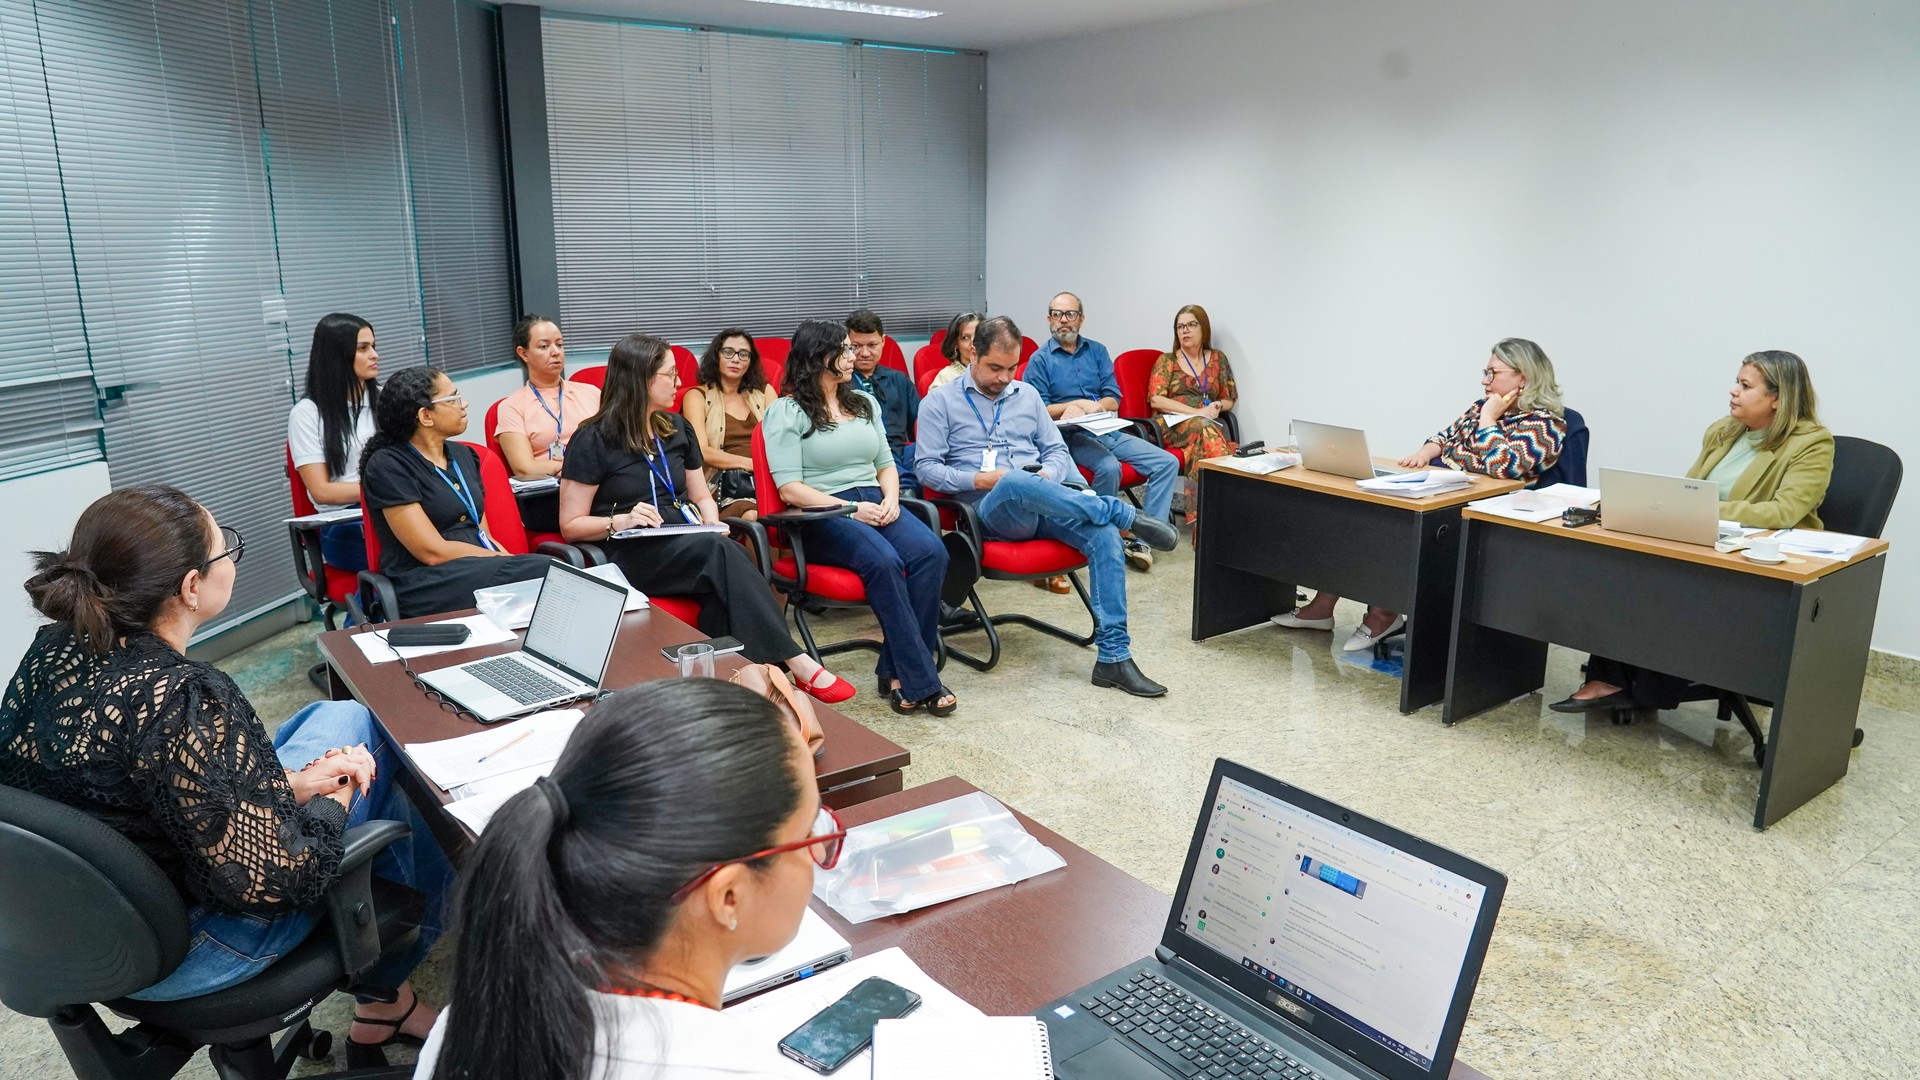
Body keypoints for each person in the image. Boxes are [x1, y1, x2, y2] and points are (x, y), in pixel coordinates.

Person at [0, 485, 451, 1068]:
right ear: (192, 587)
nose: (231, 561)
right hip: (189, 948)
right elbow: (273, 883)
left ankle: (388, 992)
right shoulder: (183, 697)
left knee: (343, 718)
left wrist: (294, 785)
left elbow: (132, 793)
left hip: (81, 937)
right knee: (388, 778)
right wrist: (336, 800)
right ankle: (388, 987)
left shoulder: (57, 647)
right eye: (225, 550)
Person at [414, 678, 835, 1080]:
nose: (819, 848)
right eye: (808, 833)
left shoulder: (475, 1013)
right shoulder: (738, 1069)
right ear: (728, 896)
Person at [558, 334, 854, 704]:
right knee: (724, 554)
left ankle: (739, 693)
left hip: (686, 542)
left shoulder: (675, 428)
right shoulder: (593, 439)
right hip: (628, 553)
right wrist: (619, 521)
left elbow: (699, 495)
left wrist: (712, 522)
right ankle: (792, 665)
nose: (679, 383)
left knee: (722, 580)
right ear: (641, 379)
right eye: (669, 375)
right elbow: (571, 525)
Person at [1552, 350, 1832, 713]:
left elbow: (1785, 511)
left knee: (1669, 582)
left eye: (1745, 386)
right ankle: (1612, 679)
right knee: (1623, 565)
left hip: (1760, 563)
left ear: (1777, 398)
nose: (1733, 391)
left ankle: (1636, 687)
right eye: (1737, 381)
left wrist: (1704, 510)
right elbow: (1690, 489)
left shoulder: (1812, 443)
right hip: (1706, 542)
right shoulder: (1724, 432)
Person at [916, 316, 1178, 698]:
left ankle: (1114, 658)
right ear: (972, 352)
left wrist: (1050, 478)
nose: (1005, 378)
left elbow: (1056, 450)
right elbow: (926, 469)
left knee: (1102, 536)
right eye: (995, 368)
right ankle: (1120, 512)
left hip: (1047, 503)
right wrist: (981, 480)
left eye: (1011, 368)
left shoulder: (1027, 396)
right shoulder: (941, 401)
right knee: (1014, 479)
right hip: (989, 513)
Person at [1273, 338, 1568, 652]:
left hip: (1477, 511)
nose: (1484, 380)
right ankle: (1323, 606)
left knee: (1386, 527)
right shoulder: (1483, 406)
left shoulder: (1547, 425)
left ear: (1523, 377)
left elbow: (1505, 466)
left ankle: (1383, 613)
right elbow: (1444, 437)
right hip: (1439, 487)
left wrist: (1488, 420)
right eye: (1485, 372)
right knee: (1357, 514)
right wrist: (1424, 454)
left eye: (1493, 373)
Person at [762, 319, 953, 715]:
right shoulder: (787, 410)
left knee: (932, 552)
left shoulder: (863, 402)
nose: (855, 357)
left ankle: (894, 668)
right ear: (819, 357)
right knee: (884, 561)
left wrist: (893, 499)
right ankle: (918, 680)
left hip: (875, 501)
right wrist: (851, 509)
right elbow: (789, 489)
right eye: (845, 350)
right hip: (820, 512)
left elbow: (886, 462)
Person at [359, 367, 558, 618]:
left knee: (550, 574)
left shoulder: (465, 456)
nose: (464, 404)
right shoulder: (388, 465)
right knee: (547, 571)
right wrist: (500, 560)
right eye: (453, 399)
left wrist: (506, 559)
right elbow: (431, 551)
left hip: (479, 568)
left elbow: (482, 532)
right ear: (425, 416)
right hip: (425, 581)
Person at [1025, 292, 1180, 571]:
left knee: (1166, 462)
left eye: (1070, 314)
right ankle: (1104, 540)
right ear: (1049, 319)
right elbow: (1039, 410)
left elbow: (1113, 399)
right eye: (1057, 314)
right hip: (1069, 435)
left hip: (1104, 428)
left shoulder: (1096, 351)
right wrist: (1074, 406)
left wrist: (1093, 407)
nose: (1064, 321)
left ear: (1081, 319)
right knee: (1108, 468)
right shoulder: (1040, 360)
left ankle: (1143, 538)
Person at [288, 312, 380, 572]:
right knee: (404, 556)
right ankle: (365, 614)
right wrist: (386, 486)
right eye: (363, 348)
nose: (374, 355)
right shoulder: (307, 413)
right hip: (344, 523)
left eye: (374, 346)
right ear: (337, 356)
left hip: (389, 508)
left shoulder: (384, 400)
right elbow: (321, 491)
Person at [493, 315, 601, 534]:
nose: (556, 352)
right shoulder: (512, 406)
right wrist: (575, 469)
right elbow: (524, 467)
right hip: (552, 497)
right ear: (523, 353)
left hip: (601, 486)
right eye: (544, 346)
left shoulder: (591, 393)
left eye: (560, 345)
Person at [1148, 304, 1240, 520]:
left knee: (1203, 438)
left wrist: (1216, 406)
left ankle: (1204, 516)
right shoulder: (1167, 360)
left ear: (1203, 329)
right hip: (1171, 424)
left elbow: (1228, 399)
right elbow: (1156, 399)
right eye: (1180, 327)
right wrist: (1196, 412)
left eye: (1191, 325)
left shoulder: (1218, 359)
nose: (1185, 331)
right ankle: (1225, 506)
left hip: (1204, 426)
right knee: (1205, 429)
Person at [680, 327, 772, 521]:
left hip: (767, 480)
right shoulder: (697, 396)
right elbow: (702, 452)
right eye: (728, 352)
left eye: (743, 354)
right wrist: (751, 464)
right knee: (754, 515)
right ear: (716, 356)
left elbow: (781, 442)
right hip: (724, 486)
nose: (736, 359)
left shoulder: (764, 393)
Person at [845, 308, 920, 495]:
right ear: (846, 345)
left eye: (872, 345)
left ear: (883, 342)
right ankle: (905, 492)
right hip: (867, 456)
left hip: (901, 451)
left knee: (927, 456)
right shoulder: (840, 383)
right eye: (856, 346)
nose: (864, 353)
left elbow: (920, 423)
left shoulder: (899, 379)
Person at [928, 310, 981, 393]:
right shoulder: (946, 378)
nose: (973, 343)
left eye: (978, 336)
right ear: (956, 343)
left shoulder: (995, 371)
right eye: (966, 338)